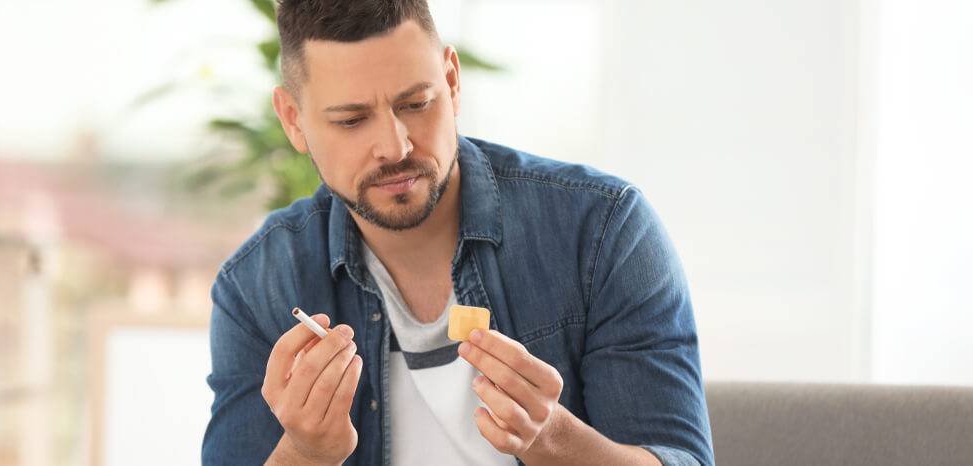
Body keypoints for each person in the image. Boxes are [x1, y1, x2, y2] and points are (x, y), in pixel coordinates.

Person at [202, 1, 712, 465]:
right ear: (293, 121)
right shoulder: (257, 285)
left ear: (451, 81)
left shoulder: (603, 231)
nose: (394, 146)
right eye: (353, 120)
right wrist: (306, 454)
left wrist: (549, 436)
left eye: (416, 104)